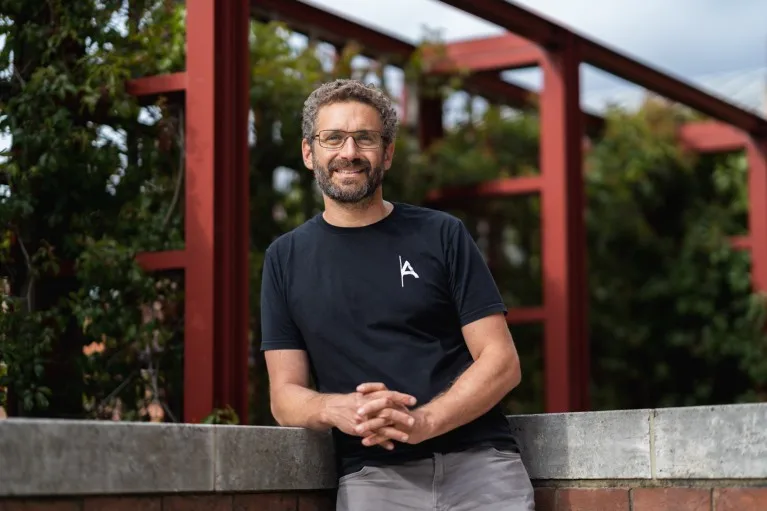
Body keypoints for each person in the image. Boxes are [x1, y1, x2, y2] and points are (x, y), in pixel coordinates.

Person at [260, 78, 535, 510]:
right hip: (374, 477)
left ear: (386, 153)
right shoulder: (284, 258)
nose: (349, 153)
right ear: (309, 152)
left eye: (364, 139)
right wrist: (337, 409)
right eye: (333, 138)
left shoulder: (441, 233)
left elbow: (502, 362)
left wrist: (423, 422)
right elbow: (284, 395)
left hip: (481, 465)